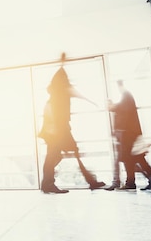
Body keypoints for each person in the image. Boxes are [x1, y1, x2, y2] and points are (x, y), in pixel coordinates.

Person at [38, 53, 106, 194]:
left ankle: (47, 183)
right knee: (60, 155)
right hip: (57, 131)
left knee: (56, 156)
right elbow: (70, 90)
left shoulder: (56, 95)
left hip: (59, 130)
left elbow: (70, 90)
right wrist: (90, 100)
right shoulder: (56, 96)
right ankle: (49, 183)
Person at [107, 80, 151, 190]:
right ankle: (148, 177)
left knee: (129, 158)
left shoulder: (126, 95)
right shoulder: (125, 98)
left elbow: (125, 109)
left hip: (129, 134)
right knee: (133, 158)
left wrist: (114, 107)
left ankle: (135, 181)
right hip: (129, 134)